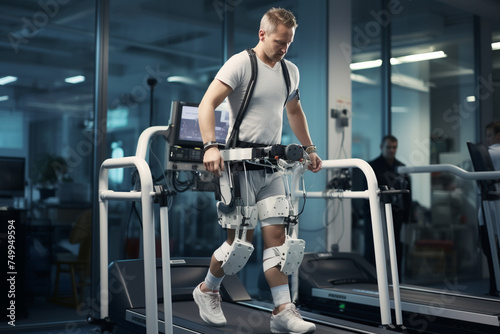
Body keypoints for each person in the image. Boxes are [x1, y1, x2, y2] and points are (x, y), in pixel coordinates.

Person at [193, 7, 322, 334]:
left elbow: (294, 111)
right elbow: (207, 103)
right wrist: (210, 145)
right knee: (239, 244)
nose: (283, 48)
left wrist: (310, 149)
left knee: (280, 242)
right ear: (262, 34)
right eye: (279, 41)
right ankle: (207, 289)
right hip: (236, 166)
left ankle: (282, 310)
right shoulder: (241, 64)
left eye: (289, 43)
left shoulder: (290, 71)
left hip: (271, 166)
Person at [364, 135, 411, 277]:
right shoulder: (371, 167)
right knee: (373, 251)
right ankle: (371, 283)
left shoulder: (401, 168)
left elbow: (408, 195)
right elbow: (364, 195)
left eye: (394, 147)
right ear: (381, 147)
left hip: (397, 217)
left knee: (396, 249)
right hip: (376, 217)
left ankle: (397, 282)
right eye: (389, 147)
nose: (392, 150)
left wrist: (407, 219)